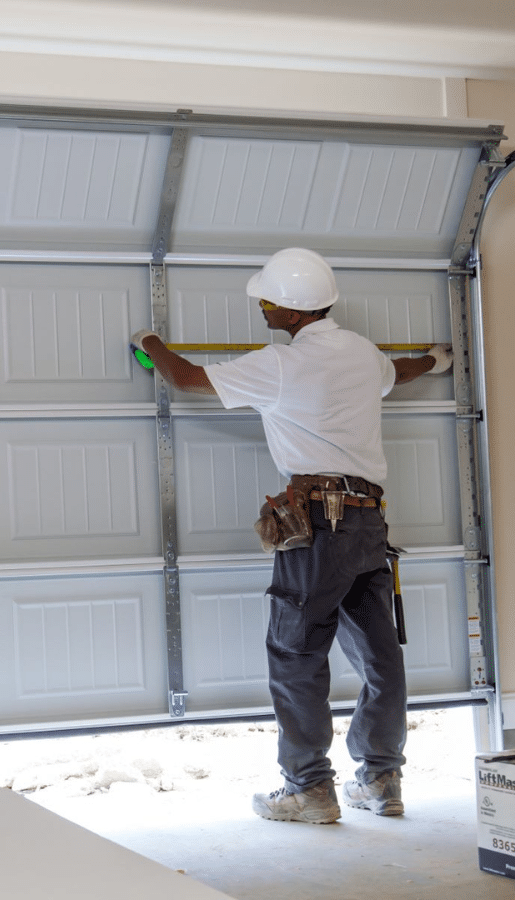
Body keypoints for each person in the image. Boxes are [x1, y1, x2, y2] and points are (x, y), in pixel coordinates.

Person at [130, 247, 453, 824]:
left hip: (319, 527)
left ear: (294, 311)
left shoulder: (280, 364)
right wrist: (434, 360)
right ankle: (381, 777)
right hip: (368, 524)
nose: (262, 308)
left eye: (267, 301)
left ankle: (309, 788)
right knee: (379, 655)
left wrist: (148, 341)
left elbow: (185, 377)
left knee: (296, 653)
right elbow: (396, 374)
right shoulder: (361, 353)